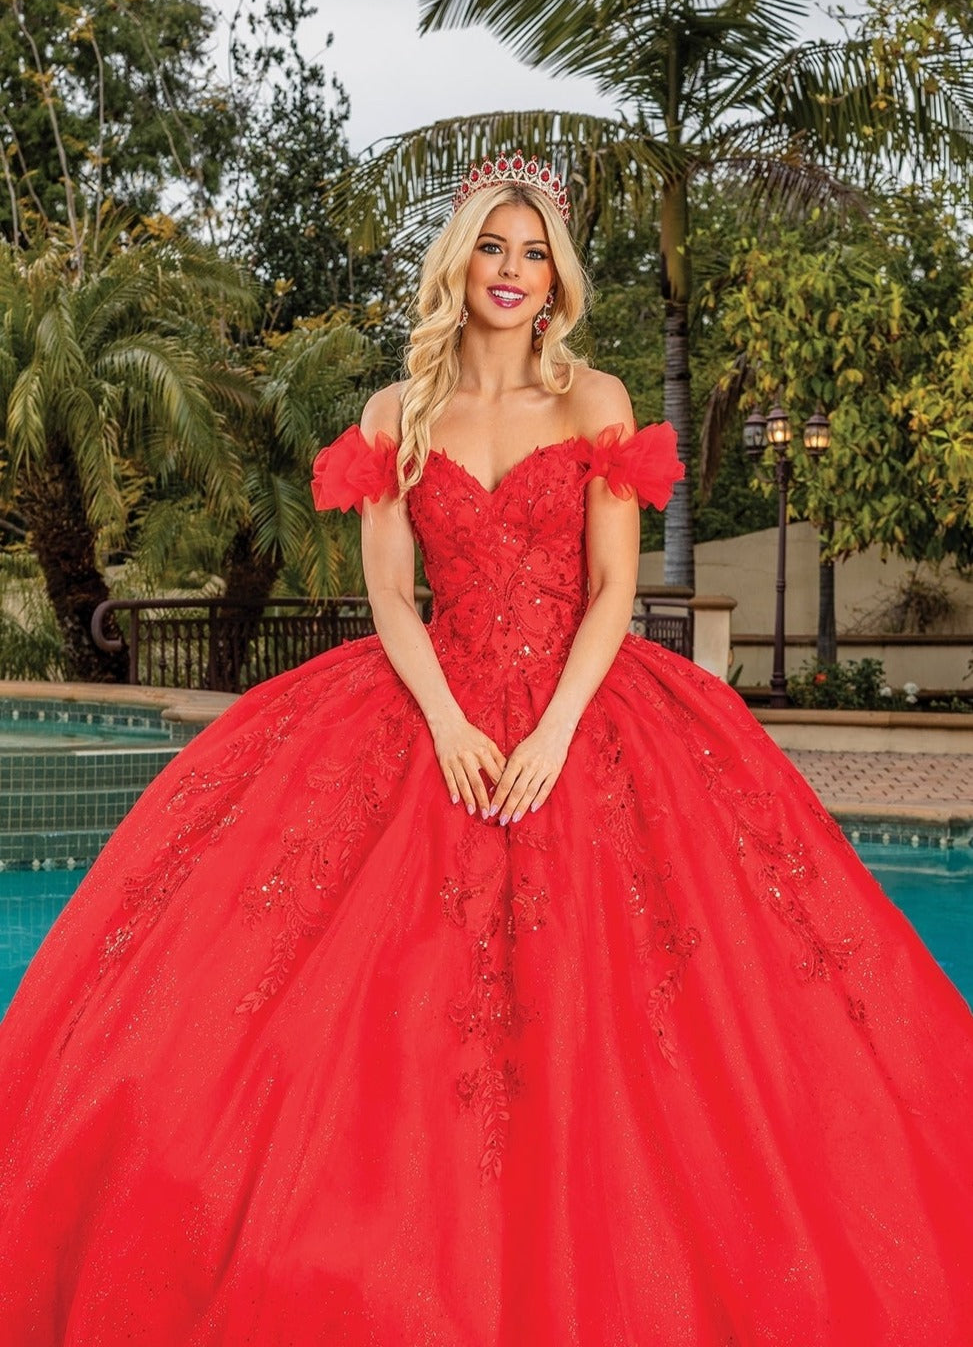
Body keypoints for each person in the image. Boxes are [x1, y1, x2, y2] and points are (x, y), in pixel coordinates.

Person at [0, 152, 971, 1347]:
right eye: (492, 249)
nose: (511, 272)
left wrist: (557, 725)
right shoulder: (393, 415)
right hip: (428, 710)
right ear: (456, 263)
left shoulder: (597, 400)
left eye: (533, 253)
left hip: (586, 711)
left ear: (556, 277)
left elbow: (616, 589)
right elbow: (392, 597)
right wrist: (451, 721)